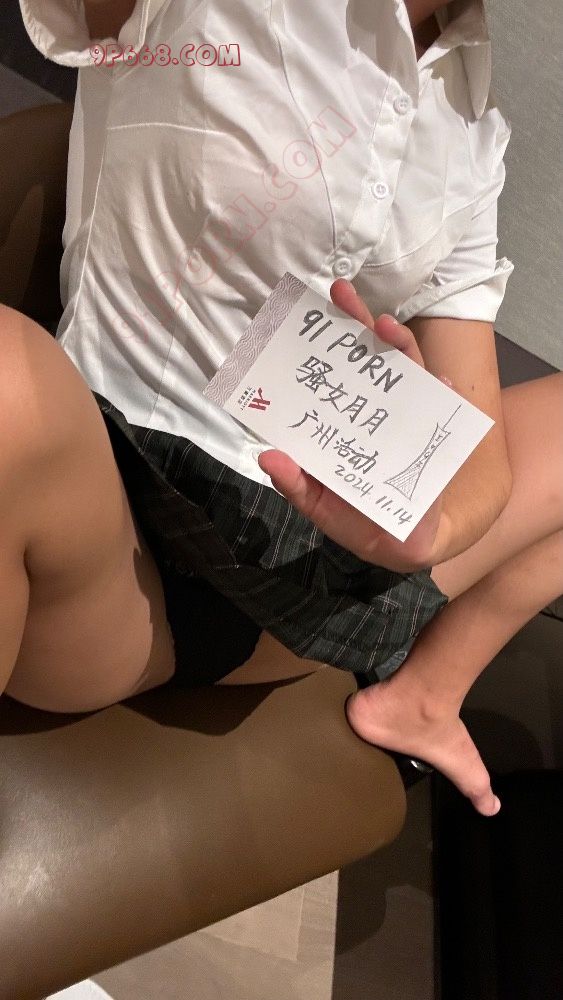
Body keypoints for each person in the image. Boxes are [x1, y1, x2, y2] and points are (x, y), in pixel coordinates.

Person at [2, 0, 561, 819]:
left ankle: (426, 696)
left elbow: (480, 453)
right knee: (8, 383)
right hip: (113, 540)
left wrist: (427, 530)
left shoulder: (468, 118)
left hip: (298, 573)